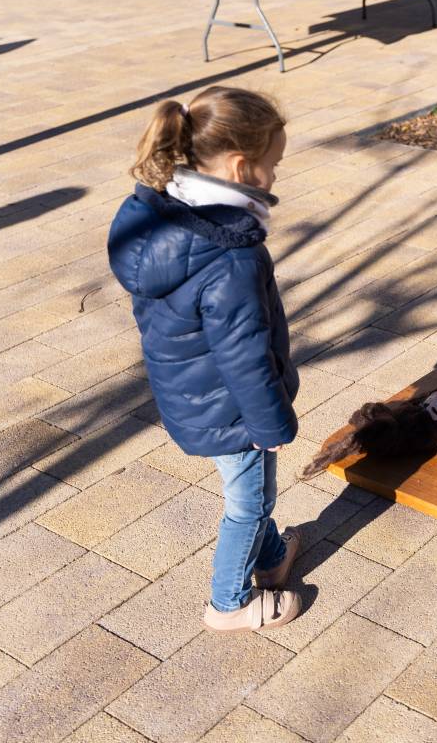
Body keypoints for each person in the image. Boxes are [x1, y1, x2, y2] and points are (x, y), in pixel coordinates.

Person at [108, 86, 302, 632]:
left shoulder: (158, 213)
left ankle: (269, 560)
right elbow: (243, 354)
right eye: (274, 165)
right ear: (242, 168)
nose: (276, 176)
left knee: (252, 491)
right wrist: (270, 423)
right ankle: (228, 603)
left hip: (193, 392)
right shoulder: (229, 256)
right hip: (233, 411)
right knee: (248, 503)